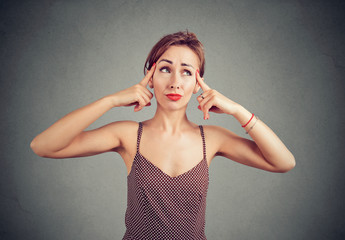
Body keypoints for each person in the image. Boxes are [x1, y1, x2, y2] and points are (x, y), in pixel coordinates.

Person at [30, 31, 295, 239]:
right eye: (165, 69)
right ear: (151, 76)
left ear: (196, 84)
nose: (175, 82)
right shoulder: (127, 134)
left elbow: (284, 162)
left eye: (187, 72)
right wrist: (109, 101)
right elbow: (43, 146)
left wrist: (238, 111)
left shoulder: (212, 139)